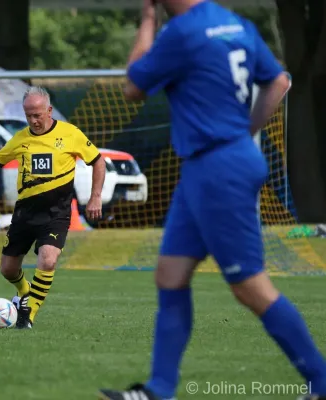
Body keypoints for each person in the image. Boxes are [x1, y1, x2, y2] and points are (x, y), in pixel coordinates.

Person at [98, 1, 326, 400]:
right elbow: (279, 81)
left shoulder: (182, 32)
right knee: (170, 275)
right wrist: (243, 131)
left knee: (250, 286)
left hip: (218, 169)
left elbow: (132, 86)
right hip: (210, 166)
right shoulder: (234, 24)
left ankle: (322, 381)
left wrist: (148, 18)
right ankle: (158, 390)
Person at [0, 86, 106, 329]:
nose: (33, 120)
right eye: (28, 115)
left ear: (49, 110)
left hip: (55, 213)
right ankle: (24, 292)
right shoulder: (21, 138)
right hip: (25, 213)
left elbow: (98, 161)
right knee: (8, 269)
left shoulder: (71, 134)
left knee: (48, 259)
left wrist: (96, 196)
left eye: (38, 114)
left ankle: (27, 314)